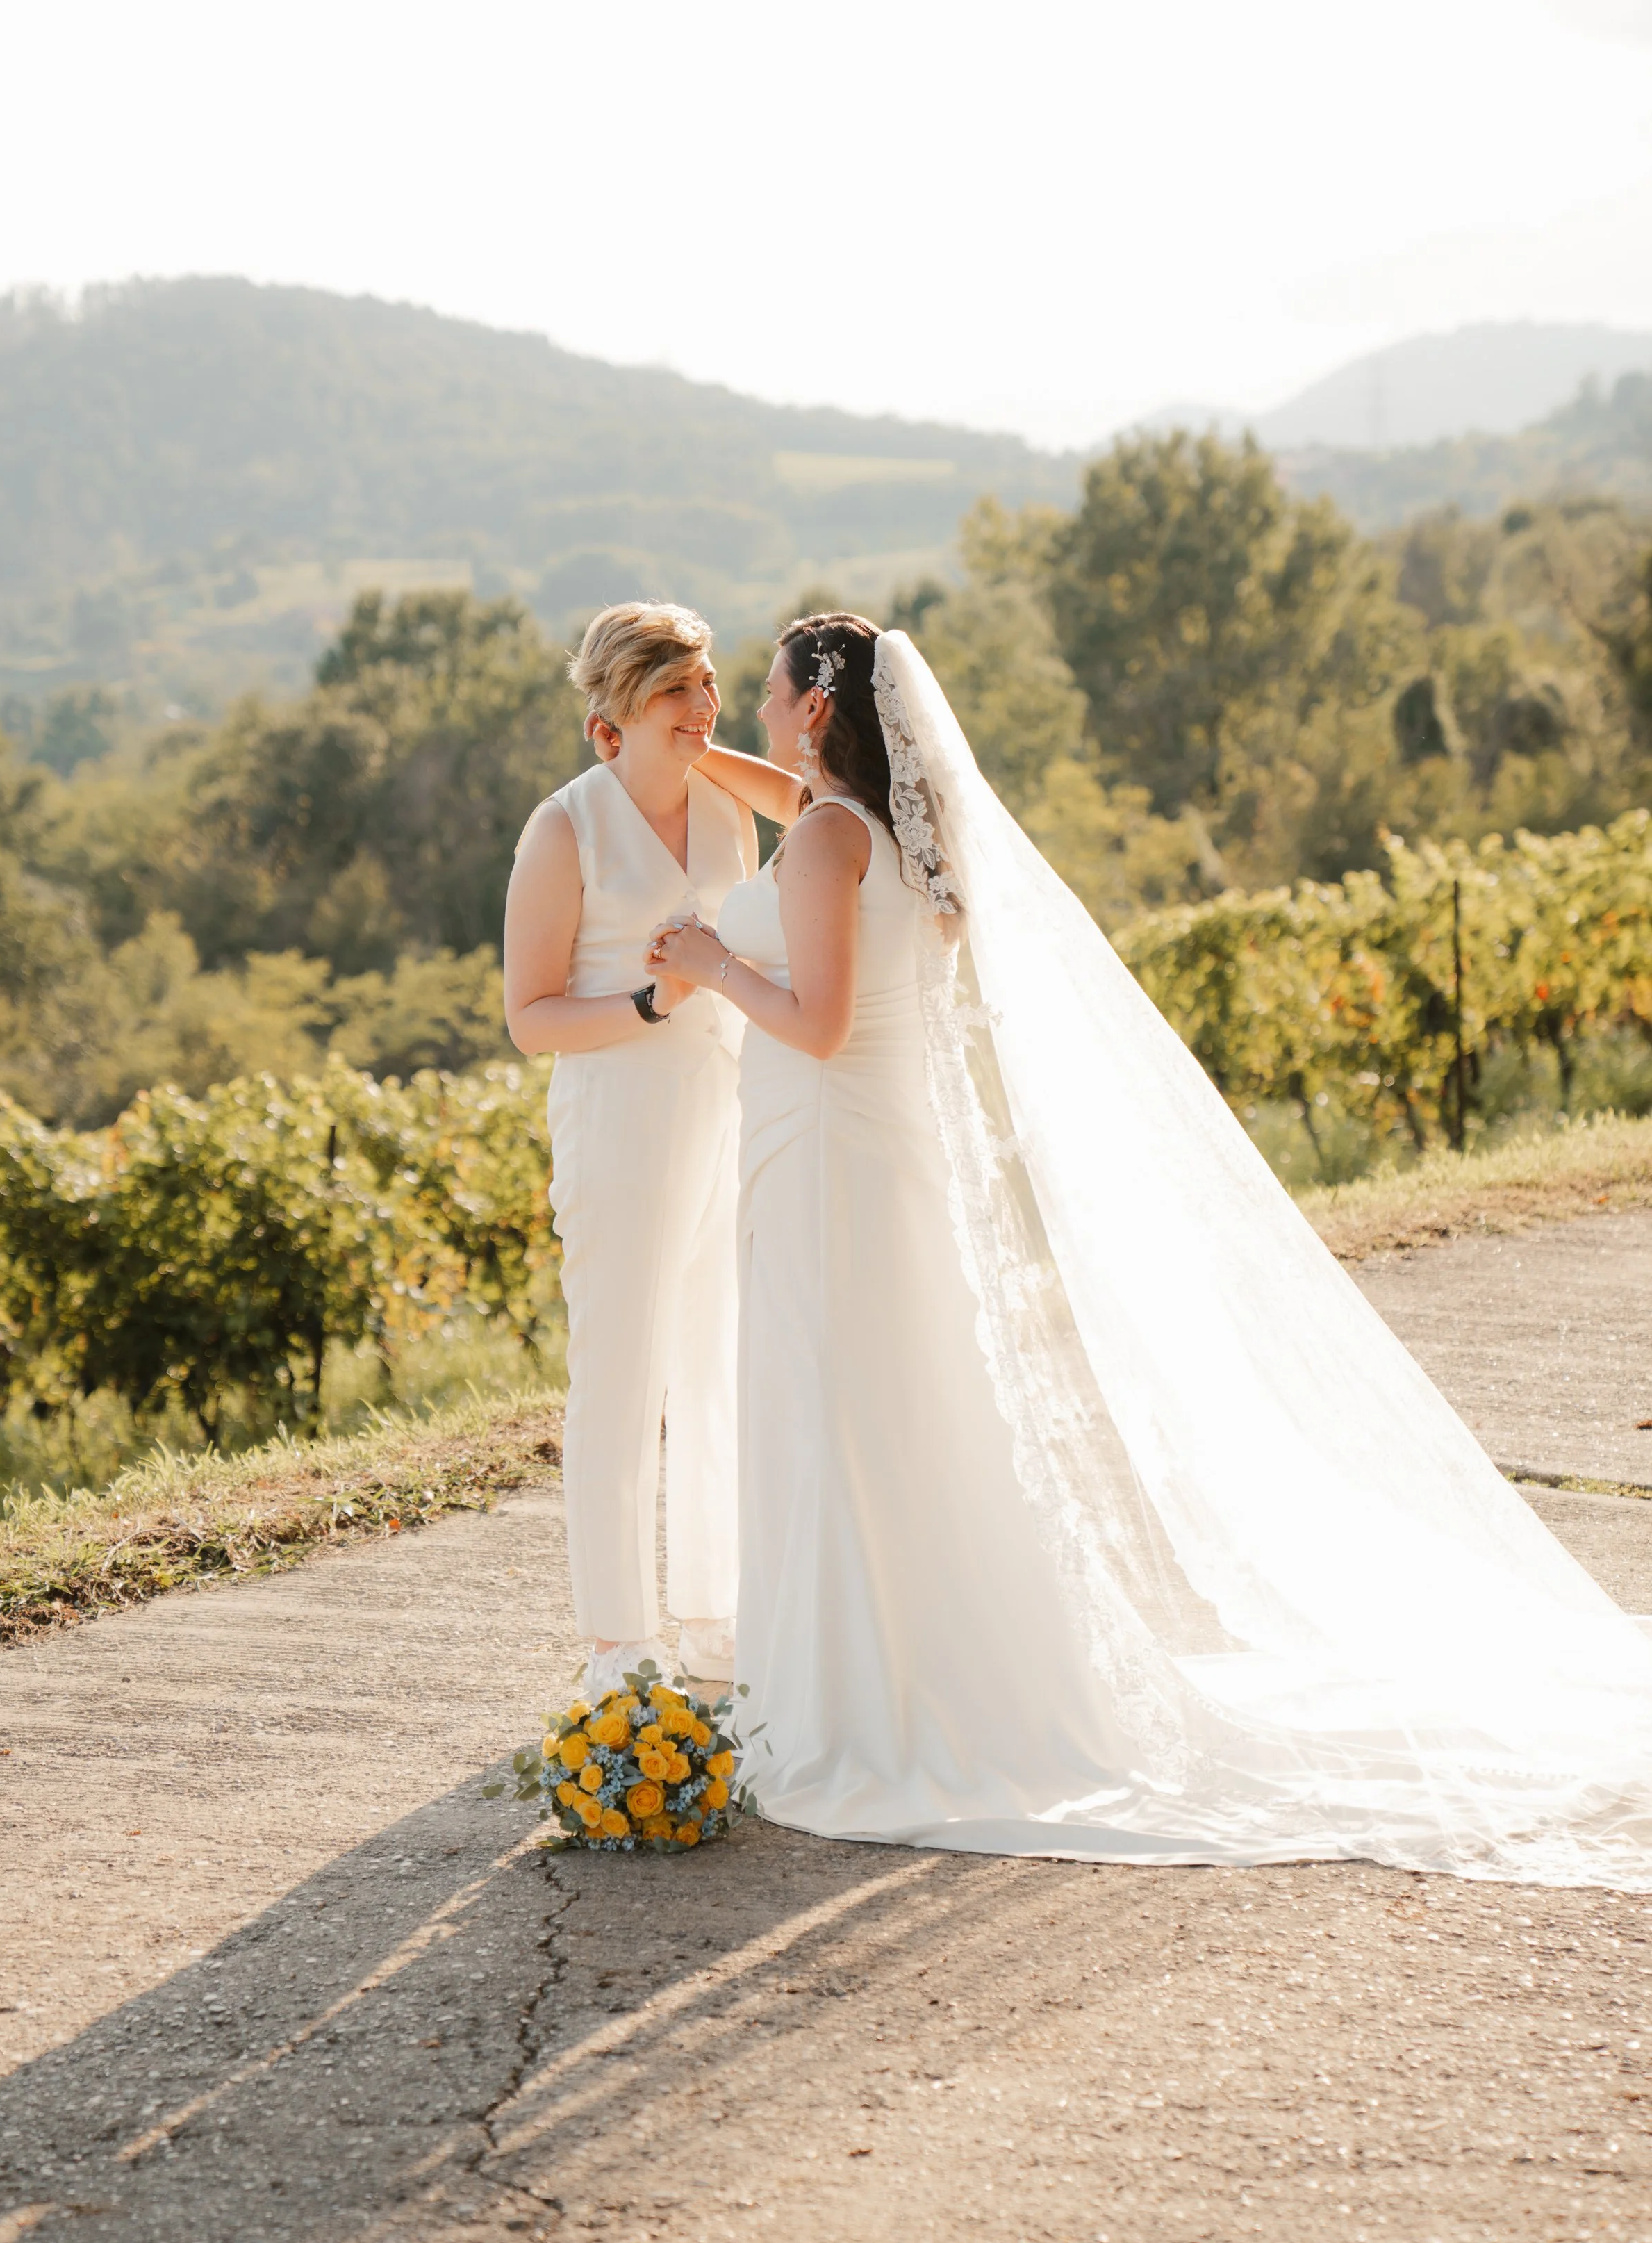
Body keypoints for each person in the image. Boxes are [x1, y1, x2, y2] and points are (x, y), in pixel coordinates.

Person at [650, 614, 1652, 1886]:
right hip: (877, 1165)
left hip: (827, 1161)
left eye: (771, 686)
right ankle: (900, 1674)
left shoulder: (828, 843)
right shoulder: (889, 832)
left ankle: (857, 1707)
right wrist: (702, 758)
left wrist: (708, 959)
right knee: (893, 1414)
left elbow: (820, 1022)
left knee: (835, 1412)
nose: (759, 705)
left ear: (811, 706)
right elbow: (799, 801)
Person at [505, 601, 755, 1699]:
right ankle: (619, 1640)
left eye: (708, 685)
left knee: (713, 1366)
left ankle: (710, 1616)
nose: (703, 707)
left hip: (724, 1109)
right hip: (619, 1117)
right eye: (678, 693)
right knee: (620, 1376)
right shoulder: (563, 830)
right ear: (616, 717)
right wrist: (653, 1001)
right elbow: (533, 1015)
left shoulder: (728, 813)